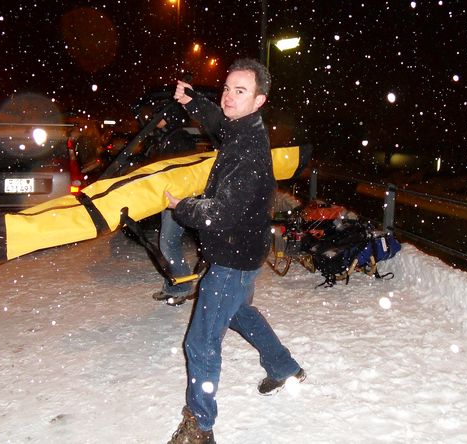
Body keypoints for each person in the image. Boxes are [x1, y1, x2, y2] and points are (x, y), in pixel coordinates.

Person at [165, 58, 306, 443]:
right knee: (240, 314)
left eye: (240, 91)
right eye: (227, 88)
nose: (228, 97)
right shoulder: (244, 127)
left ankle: (200, 426)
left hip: (232, 258)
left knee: (200, 343)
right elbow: (219, 122)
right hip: (243, 252)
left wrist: (182, 206)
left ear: (259, 100)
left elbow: (220, 214)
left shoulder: (248, 152)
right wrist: (194, 101)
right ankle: (284, 367)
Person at [148, 103, 199, 306]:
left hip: (178, 198)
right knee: (167, 242)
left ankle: (183, 287)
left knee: (169, 242)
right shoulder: (166, 137)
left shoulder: (180, 138)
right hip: (169, 196)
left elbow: (181, 170)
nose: (154, 119)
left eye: (158, 115)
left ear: (168, 117)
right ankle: (173, 286)